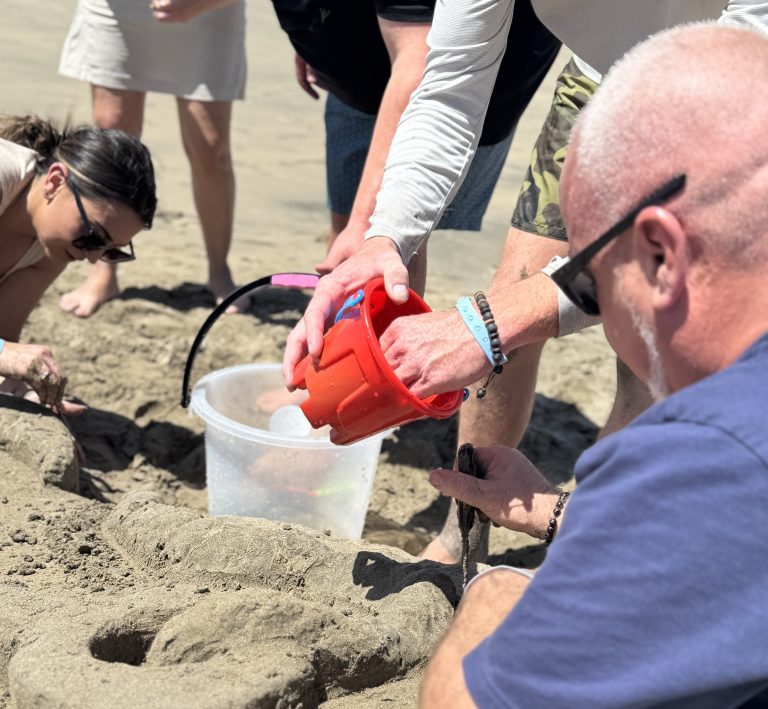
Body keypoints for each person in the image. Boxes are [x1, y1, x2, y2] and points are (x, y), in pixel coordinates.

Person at [383, 22, 768, 709]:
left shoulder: (717, 452)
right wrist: (572, 513)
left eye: (594, 290)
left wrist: (494, 596)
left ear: (661, 254)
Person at [282, 0, 768, 564]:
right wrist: (384, 236)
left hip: (743, 101)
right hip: (605, 77)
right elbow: (450, 85)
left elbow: (700, 204)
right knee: (514, 284)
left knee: (654, 352)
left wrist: (487, 325)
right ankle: (460, 535)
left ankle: (586, 551)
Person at [271, 0, 560, 294]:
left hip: (469, 84)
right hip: (362, 68)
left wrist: (370, 226)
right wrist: (313, 33)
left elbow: (420, 69)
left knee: (397, 233)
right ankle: (340, 331)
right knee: (351, 228)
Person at [58, 0, 247, 318]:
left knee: (210, 149)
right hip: (119, 9)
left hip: (210, 8)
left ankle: (219, 269)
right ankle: (104, 271)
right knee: (112, 138)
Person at [0, 115, 156, 412]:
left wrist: (27, 398)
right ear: (56, 182)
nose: (93, 257)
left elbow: (3, 335)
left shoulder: (54, 247)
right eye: (94, 236)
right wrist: (4, 354)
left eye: (112, 251)